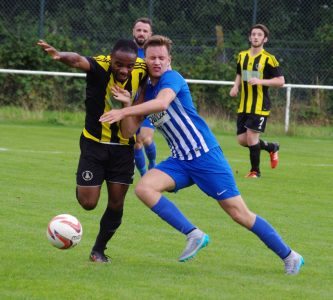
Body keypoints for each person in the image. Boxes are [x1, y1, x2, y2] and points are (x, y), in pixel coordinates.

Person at [99, 35, 304, 275]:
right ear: (145, 60)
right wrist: (126, 106)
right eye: (152, 57)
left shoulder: (172, 78)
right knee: (144, 188)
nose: (156, 62)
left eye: (161, 58)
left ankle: (290, 256)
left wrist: (127, 110)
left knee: (239, 214)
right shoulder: (145, 91)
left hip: (205, 156)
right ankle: (194, 234)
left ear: (169, 60)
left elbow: (163, 104)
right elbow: (128, 131)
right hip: (180, 160)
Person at [37, 39, 147, 263]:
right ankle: (84, 182)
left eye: (129, 66)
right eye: (119, 65)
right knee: (88, 203)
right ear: (111, 58)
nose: (124, 70)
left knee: (117, 202)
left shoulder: (142, 69)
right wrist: (60, 55)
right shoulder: (99, 65)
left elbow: (161, 71)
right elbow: (77, 59)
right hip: (94, 144)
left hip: (123, 149)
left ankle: (98, 250)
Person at [229, 24, 285, 178]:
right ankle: (271, 146)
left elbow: (280, 81)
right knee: (242, 140)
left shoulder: (269, 59)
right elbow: (239, 74)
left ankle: (255, 172)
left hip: (260, 105)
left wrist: (261, 82)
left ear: (265, 39)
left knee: (252, 137)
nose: (255, 37)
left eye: (259, 35)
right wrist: (235, 87)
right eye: (253, 34)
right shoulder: (242, 56)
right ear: (249, 37)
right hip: (244, 105)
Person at [132, 17, 157, 176]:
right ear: (133, 32)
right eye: (139, 30)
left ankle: (153, 164)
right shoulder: (126, 52)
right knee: (135, 143)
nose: (141, 33)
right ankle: (144, 175)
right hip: (132, 106)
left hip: (152, 104)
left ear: (150, 34)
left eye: (145, 31)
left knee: (145, 139)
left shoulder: (155, 53)